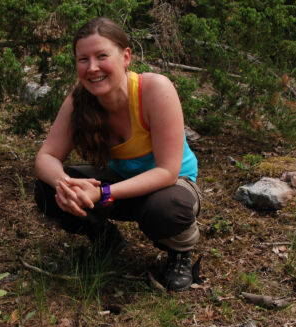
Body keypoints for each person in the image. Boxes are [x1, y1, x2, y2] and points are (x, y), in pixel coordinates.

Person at [34, 17, 201, 291]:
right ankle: (104, 237)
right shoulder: (80, 99)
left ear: (126, 57)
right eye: (83, 59)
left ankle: (180, 251)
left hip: (171, 187)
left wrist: (102, 193)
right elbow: (46, 157)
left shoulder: (155, 89)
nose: (92, 68)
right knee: (47, 189)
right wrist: (66, 185)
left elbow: (167, 171)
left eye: (102, 56)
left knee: (165, 210)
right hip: (120, 183)